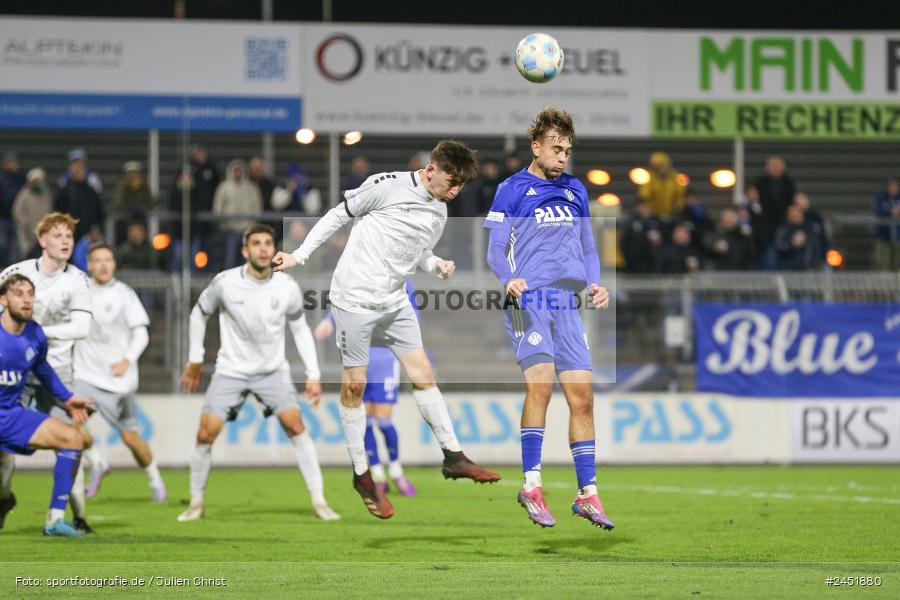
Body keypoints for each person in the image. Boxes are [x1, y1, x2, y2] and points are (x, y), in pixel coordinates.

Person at [273, 140, 500, 521]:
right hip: (355, 300)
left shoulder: (440, 212)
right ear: (431, 170)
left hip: (395, 303)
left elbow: (416, 251)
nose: (455, 190)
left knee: (423, 373)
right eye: (452, 180)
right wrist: (300, 255)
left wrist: (435, 264)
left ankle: (453, 456)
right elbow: (337, 215)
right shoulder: (386, 185)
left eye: (461, 184)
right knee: (355, 387)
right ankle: (362, 475)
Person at [483, 107, 614, 530]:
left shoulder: (576, 189)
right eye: (556, 149)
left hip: (567, 305)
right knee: (540, 388)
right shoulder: (512, 189)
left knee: (583, 398)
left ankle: (588, 494)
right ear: (536, 147)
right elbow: (493, 249)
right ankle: (532, 485)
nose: (563, 157)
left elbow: (589, 247)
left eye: (568, 150)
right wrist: (509, 278)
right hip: (529, 300)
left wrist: (594, 283)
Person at [177, 224, 339, 522]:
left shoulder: (286, 286)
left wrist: (313, 375)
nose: (263, 248)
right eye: (256, 243)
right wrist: (196, 359)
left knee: (296, 428)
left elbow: (300, 329)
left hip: (272, 372)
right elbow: (199, 314)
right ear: (245, 251)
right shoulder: (225, 283)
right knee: (205, 433)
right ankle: (196, 503)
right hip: (231, 371)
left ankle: (319, 501)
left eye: (267, 243)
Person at [0, 212, 97, 534]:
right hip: (17, 374)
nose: (65, 241)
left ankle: (76, 516)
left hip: (54, 370)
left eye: (69, 235)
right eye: (57, 235)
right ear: (42, 241)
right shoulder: (18, 273)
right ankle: (4, 498)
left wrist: (34, 335)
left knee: (73, 440)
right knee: (4, 455)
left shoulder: (78, 279)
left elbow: (81, 327)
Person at [72, 243, 167, 503]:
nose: (103, 265)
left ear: (114, 264)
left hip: (118, 381)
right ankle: (98, 461)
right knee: (71, 421)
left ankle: (156, 481)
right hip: (85, 376)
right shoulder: (79, 293)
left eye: (108, 260)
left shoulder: (124, 294)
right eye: (97, 260)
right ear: (89, 265)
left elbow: (141, 333)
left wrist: (128, 359)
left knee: (130, 437)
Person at [313, 279, 419, 497]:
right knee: (366, 419)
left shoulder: (401, 276)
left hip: (384, 356)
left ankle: (397, 470)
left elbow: (412, 315)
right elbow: (343, 297)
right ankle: (378, 474)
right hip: (358, 353)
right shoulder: (358, 269)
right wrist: (329, 320)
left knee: (384, 419)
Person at [212, 159, 263, 269]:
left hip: (247, 229)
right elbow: (218, 207)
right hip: (230, 230)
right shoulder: (224, 188)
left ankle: (248, 283)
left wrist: (253, 224)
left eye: (240, 171)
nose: (238, 173)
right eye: (235, 171)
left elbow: (257, 207)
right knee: (229, 259)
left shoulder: (251, 188)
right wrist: (223, 224)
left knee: (248, 260)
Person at [753, 156, 796, 269]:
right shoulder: (759, 183)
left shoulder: (789, 183)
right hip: (765, 227)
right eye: (773, 166)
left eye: (778, 166)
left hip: (784, 226)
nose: (775, 168)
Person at [54, 153, 104, 242]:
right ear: (71, 170)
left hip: (88, 235)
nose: (79, 170)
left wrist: (96, 229)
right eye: (76, 167)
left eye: (81, 167)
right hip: (69, 233)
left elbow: (99, 213)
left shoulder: (91, 191)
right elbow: (58, 212)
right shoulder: (64, 190)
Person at [12, 168, 53, 259]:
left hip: (43, 231)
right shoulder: (25, 194)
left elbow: (49, 210)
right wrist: (26, 223)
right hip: (27, 233)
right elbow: (17, 211)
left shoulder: (46, 193)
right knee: (27, 255)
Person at [113, 161, 156, 241]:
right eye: (130, 174)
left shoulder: (145, 188)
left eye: (135, 173)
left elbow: (152, 203)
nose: (133, 176)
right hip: (125, 225)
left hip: (142, 223)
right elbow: (118, 204)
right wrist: (130, 210)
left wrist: (142, 209)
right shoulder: (122, 188)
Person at [775, 204, 822, 271]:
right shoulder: (783, 230)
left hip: (807, 270)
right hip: (788, 270)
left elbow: (816, 248)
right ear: (788, 216)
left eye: (798, 214)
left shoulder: (810, 229)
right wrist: (793, 245)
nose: (796, 216)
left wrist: (814, 266)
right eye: (793, 215)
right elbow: (780, 248)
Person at [638, 151, 685, 218]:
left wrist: (678, 209)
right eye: (658, 166)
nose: (661, 169)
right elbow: (643, 197)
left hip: (673, 215)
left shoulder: (675, 179)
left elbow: (681, 196)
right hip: (653, 216)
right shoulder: (649, 180)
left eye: (663, 165)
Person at [0, 150, 26, 265]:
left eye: (14, 162)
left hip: (17, 220)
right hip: (2, 218)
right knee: (2, 245)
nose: (12, 165)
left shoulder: (22, 179)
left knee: (15, 249)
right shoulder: (1, 178)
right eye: (9, 162)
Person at [873, 178, 900, 270]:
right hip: (884, 237)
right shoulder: (881, 198)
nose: (894, 189)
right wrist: (890, 212)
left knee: (897, 263)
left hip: (898, 237)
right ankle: (884, 282)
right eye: (892, 186)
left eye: (896, 186)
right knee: (884, 263)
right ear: (887, 188)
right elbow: (877, 211)